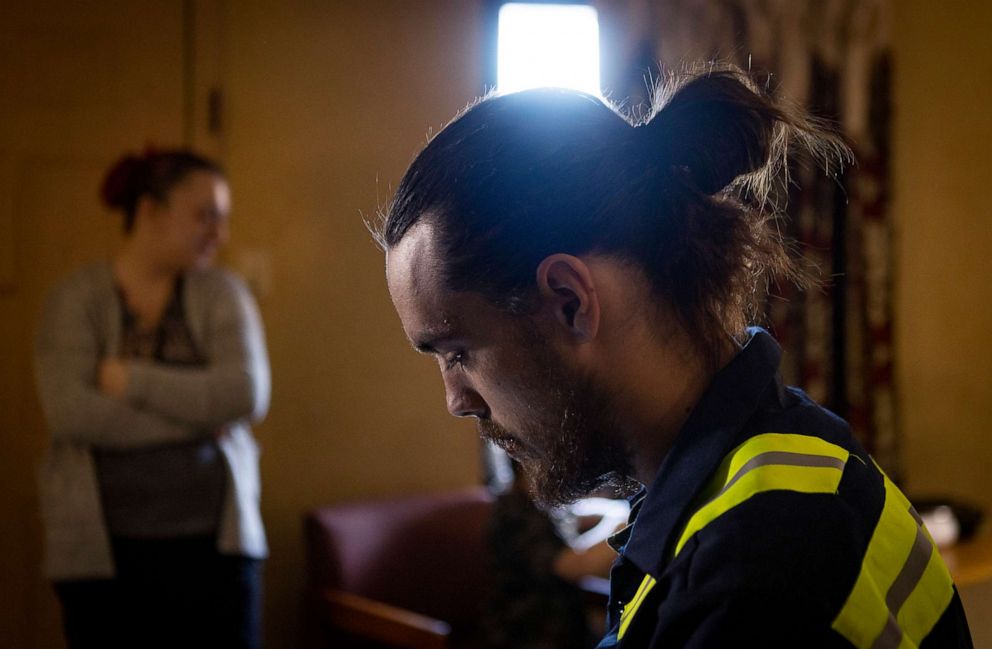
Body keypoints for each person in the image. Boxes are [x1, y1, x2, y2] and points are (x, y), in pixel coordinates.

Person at [377, 67, 974, 648]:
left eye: (457, 351)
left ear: (568, 302)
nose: (456, 400)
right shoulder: (791, 452)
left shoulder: (752, 569)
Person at [34, 149, 270, 648]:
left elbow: (246, 393)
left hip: (218, 554)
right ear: (149, 211)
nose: (219, 234)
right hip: (104, 560)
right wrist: (199, 419)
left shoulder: (223, 293)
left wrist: (132, 382)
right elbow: (70, 413)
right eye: (205, 216)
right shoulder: (76, 298)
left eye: (223, 219)